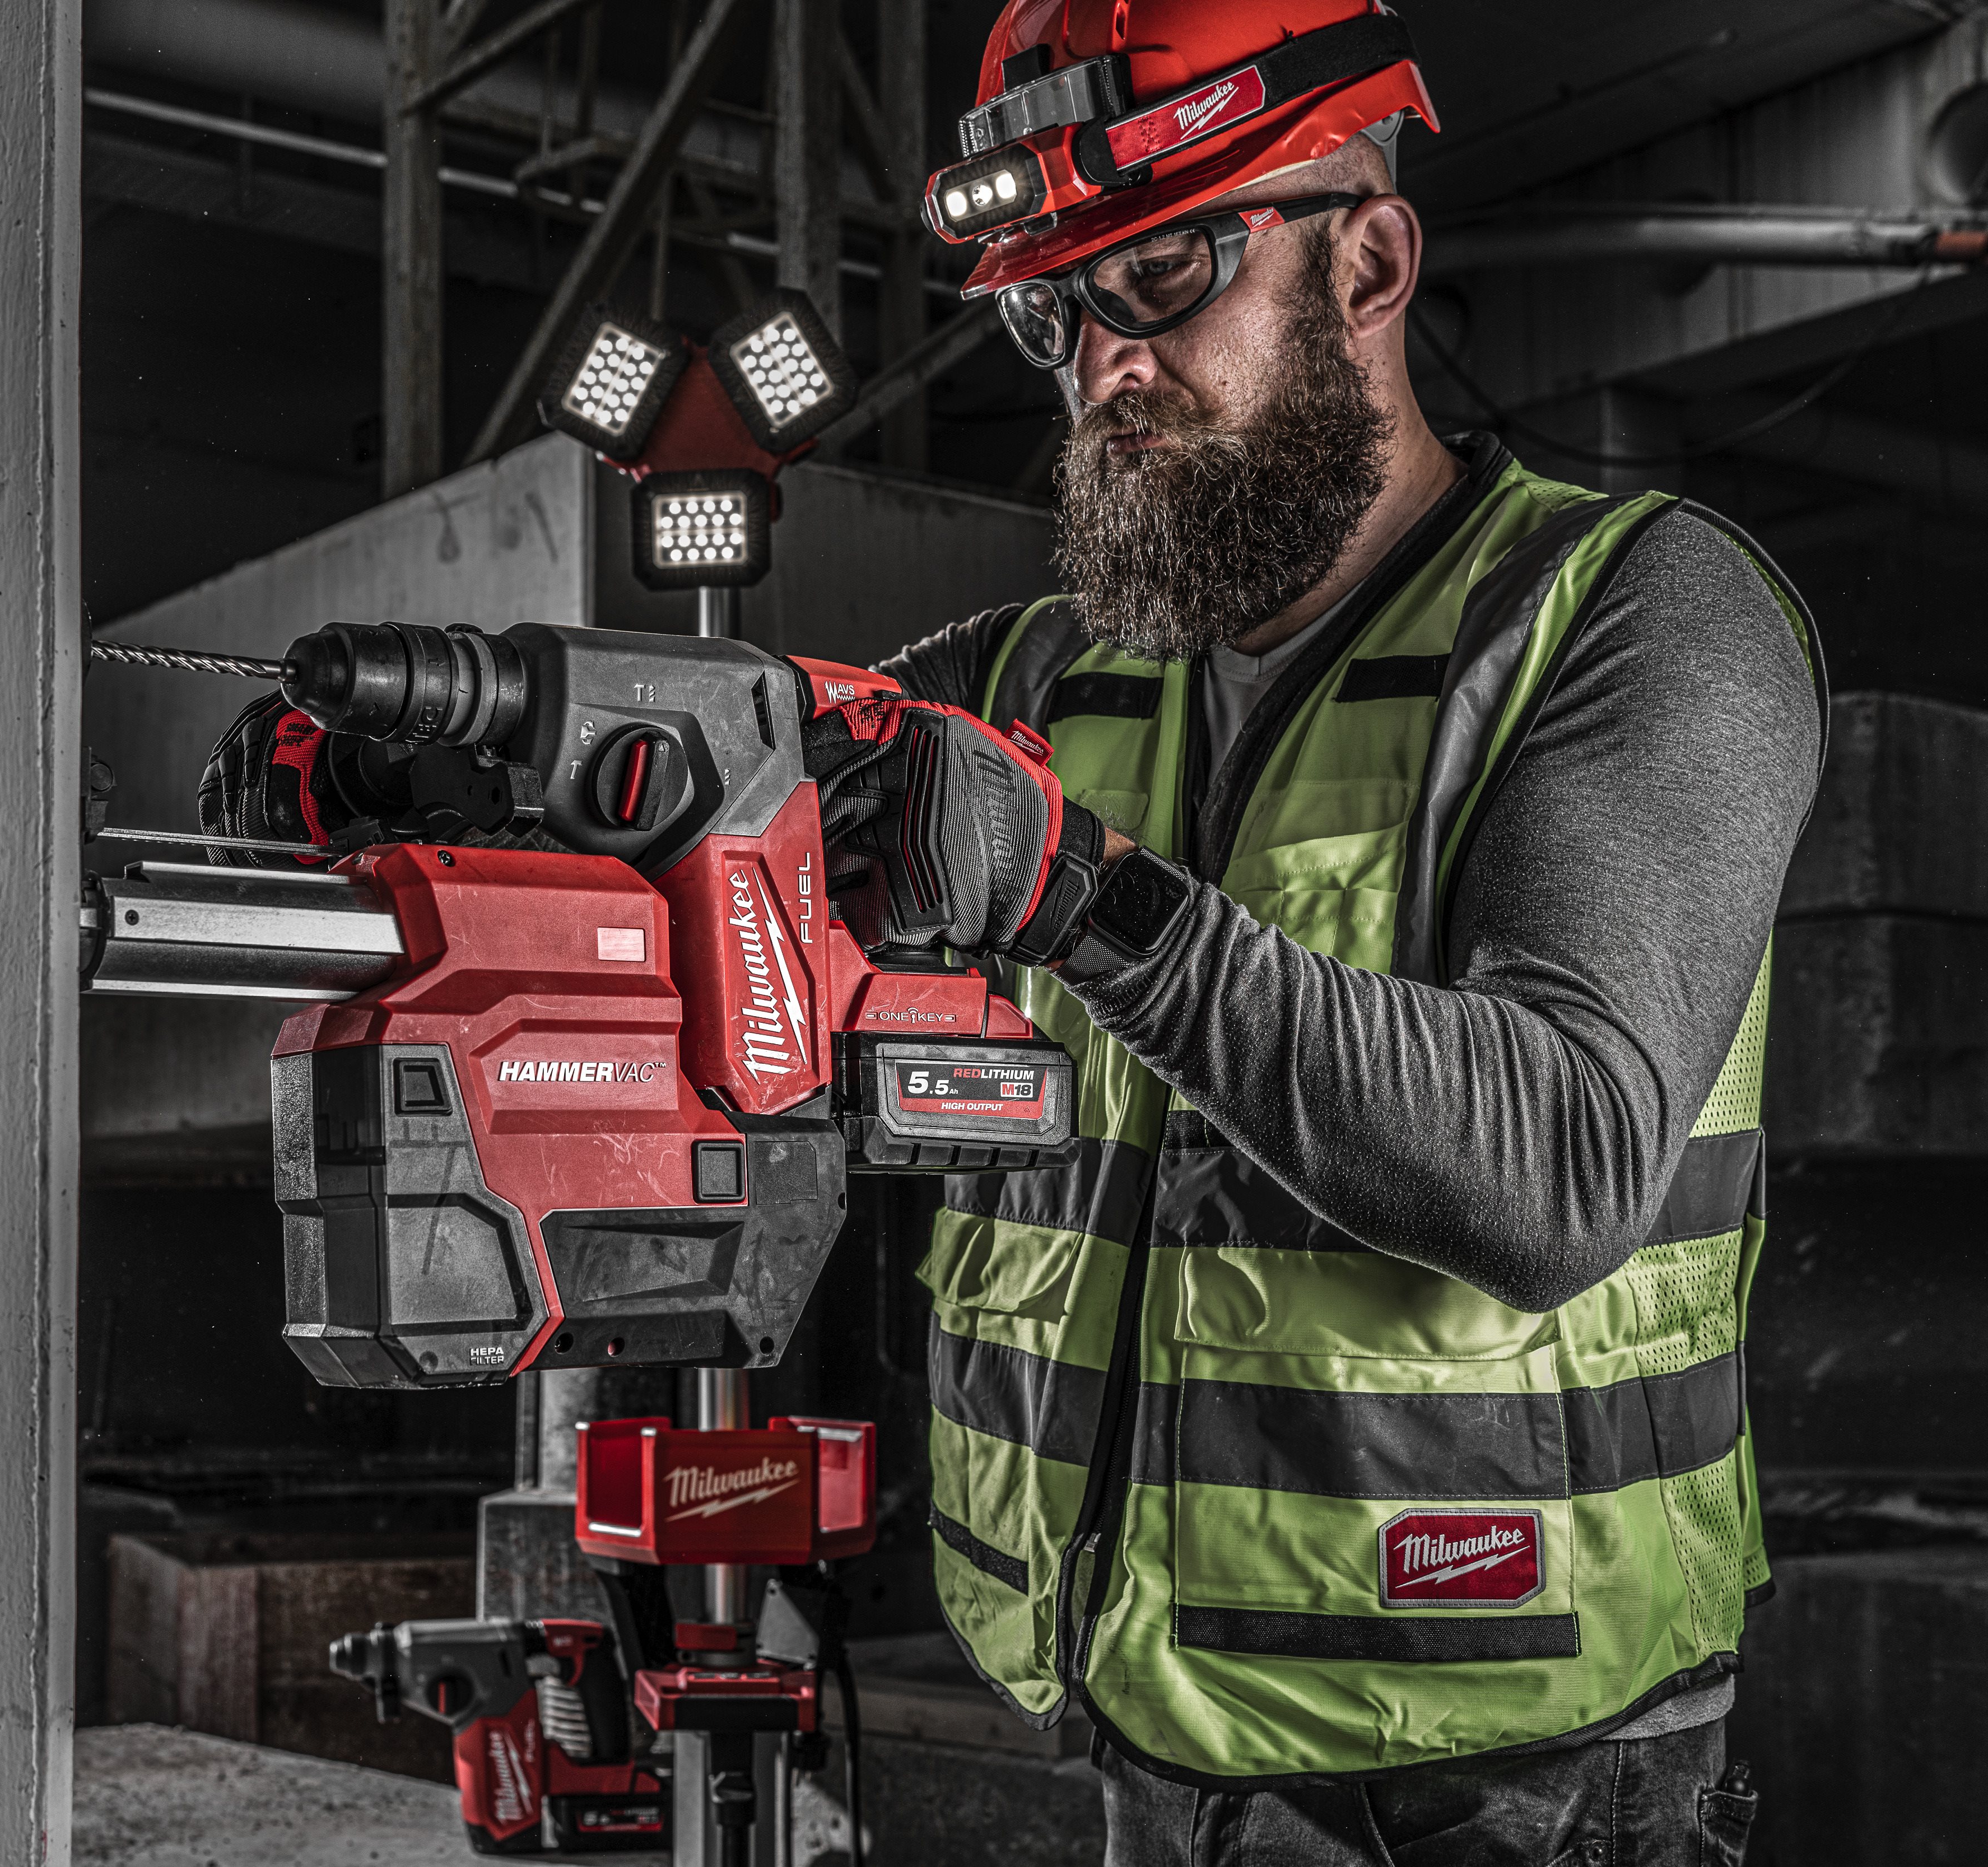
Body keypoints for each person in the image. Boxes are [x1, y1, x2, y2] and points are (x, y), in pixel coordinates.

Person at [801, 1, 1822, 1859]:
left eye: (1161, 273)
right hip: (1148, 1721)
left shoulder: (1632, 617)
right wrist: (467, 735)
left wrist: (1079, 896)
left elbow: (1559, 1161)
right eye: (1057, 312)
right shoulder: (1038, 680)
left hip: (1514, 1771)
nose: (1106, 365)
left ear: (1367, 263)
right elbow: (737, 781)